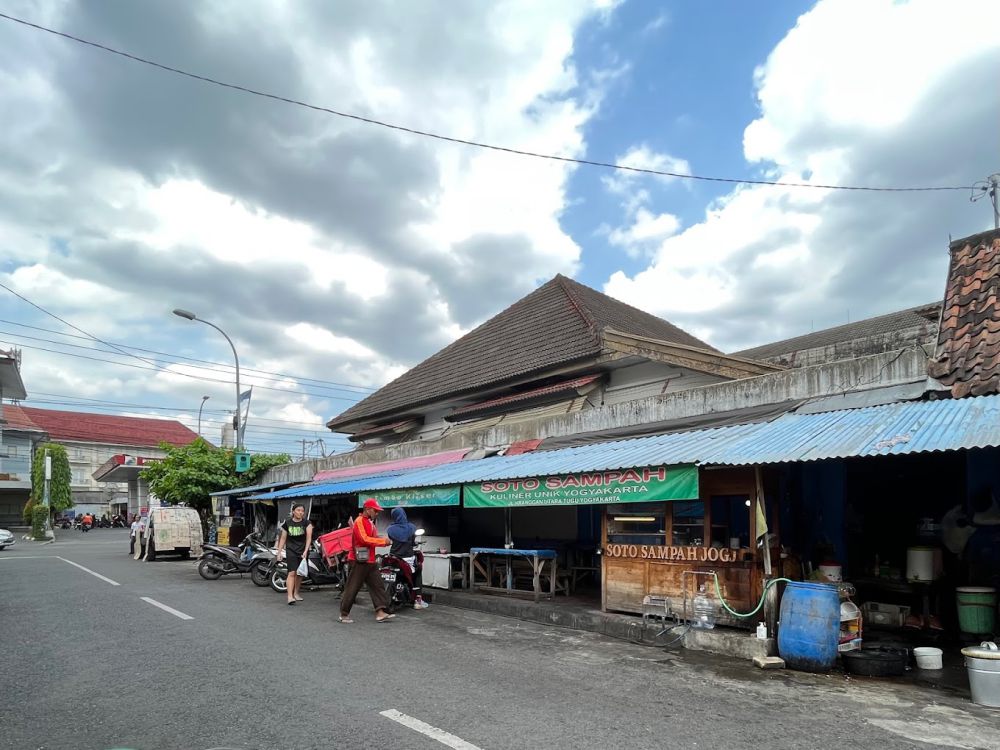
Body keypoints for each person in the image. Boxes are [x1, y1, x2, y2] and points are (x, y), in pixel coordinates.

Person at [339, 498, 394, 624]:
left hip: (369, 560)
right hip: (358, 560)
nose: (377, 513)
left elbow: (372, 538)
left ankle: (380, 612)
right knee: (352, 587)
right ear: (368, 510)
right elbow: (364, 539)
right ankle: (344, 614)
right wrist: (383, 542)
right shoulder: (359, 521)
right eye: (376, 510)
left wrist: (382, 540)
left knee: (378, 586)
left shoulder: (370, 522)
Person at [386, 507, 428, 609]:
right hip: (407, 559)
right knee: (418, 569)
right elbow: (412, 542)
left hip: (393, 557)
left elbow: (393, 540)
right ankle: (418, 600)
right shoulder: (411, 527)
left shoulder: (390, 529)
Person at [275, 504, 313, 605]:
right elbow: (283, 538)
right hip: (291, 550)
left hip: (303, 550)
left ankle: (296, 593)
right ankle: (290, 597)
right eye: (298, 510)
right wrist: (279, 552)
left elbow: (309, 538)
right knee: (292, 572)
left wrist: (305, 551)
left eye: (302, 511)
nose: (300, 512)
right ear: (293, 511)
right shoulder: (287, 523)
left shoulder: (307, 523)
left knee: (300, 573)